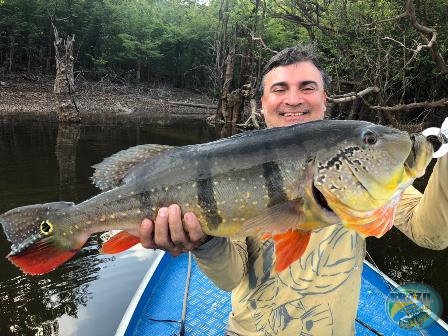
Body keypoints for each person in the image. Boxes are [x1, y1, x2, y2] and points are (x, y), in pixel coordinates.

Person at [136, 44, 448, 335]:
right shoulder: (231, 167)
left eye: (307, 87)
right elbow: (229, 278)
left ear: (325, 99)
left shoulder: (363, 174)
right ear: (263, 103)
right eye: (280, 88)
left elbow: (431, 234)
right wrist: (204, 241)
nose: (294, 99)